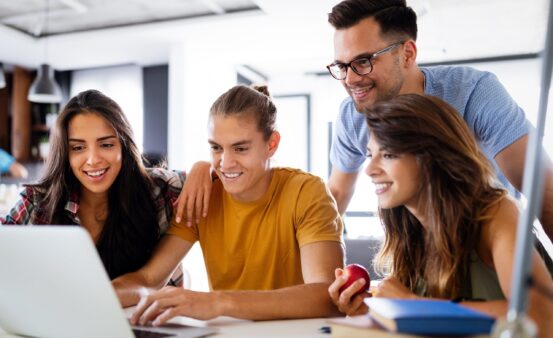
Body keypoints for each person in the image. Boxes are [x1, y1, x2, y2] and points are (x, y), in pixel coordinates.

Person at [113, 84, 345, 324]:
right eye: (216, 148)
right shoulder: (204, 197)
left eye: (241, 148)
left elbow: (326, 295)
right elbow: (148, 279)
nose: (225, 163)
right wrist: (93, 295)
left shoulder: (307, 192)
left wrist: (217, 302)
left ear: (272, 144)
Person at [325, 0, 553, 241]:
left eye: (363, 62)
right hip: (418, 255)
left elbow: (543, 190)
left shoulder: (474, 93)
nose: (350, 79)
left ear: (407, 54)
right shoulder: (352, 117)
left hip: (489, 245)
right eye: (342, 65)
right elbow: (336, 195)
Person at [328, 94, 553, 337]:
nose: (370, 170)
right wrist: (370, 310)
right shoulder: (410, 231)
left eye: (389, 154)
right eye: (370, 155)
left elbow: (539, 318)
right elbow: (431, 324)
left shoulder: (496, 213)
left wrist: (412, 306)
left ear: (432, 157)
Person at [1, 89, 184, 285]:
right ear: (65, 154)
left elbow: (214, 176)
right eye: (78, 148)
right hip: (66, 314)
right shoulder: (38, 201)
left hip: (151, 316)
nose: (93, 160)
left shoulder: (159, 189)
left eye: (106, 145)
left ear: (124, 145)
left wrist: (202, 169)